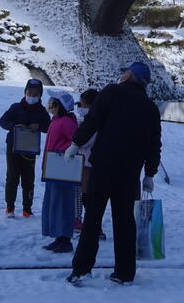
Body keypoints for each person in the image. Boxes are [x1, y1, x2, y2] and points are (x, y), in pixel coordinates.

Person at [65, 62, 161, 285]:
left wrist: (75, 144)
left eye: (124, 72)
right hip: (130, 173)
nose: (122, 75)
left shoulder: (111, 92)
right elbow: (154, 144)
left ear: (128, 76)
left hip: (103, 167)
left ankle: (82, 269)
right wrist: (149, 174)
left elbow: (92, 121)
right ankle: (125, 273)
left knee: (93, 218)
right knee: (125, 221)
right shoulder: (150, 108)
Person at [0, 78, 50, 217]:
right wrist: (14, 125)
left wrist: (38, 126)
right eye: (29, 93)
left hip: (30, 148)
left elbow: (49, 126)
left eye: (35, 94)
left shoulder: (41, 111)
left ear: (40, 95)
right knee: (12, 177)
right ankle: (10, 208)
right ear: (25, 92)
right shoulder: (16, 107)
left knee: (28, 179)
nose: (32, 96)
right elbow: (2, 121)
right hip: (13, 146)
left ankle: (27, 209)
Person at [40, 92, 79, 253]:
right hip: (54, 168)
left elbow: (76, 141)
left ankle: (65, 239)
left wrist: (60, 150)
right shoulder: (56, 120)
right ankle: (59, 236)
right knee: (55, 203)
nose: (50, 106)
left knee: (63, 204)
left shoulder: (66, 122)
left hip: (62, 169)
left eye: (53, 104)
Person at [72, 89, 102, 236]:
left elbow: (84, 142)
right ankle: (87, 222)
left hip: (88, 163)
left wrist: (76, 137)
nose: (79, 107)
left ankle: (93, 225)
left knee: (86, 196)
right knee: (82, 194)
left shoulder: (93, 122)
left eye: (82, 105)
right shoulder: (89, 120)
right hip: (84, 161)